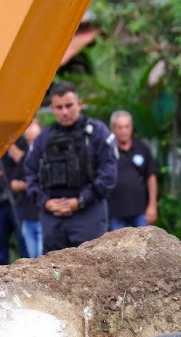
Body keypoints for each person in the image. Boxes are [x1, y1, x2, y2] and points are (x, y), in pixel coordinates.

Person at [25, 82, 118, 253]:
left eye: (69, 106)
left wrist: (80, 201)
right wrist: (45, 202)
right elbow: (30, 173)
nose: (64, 112)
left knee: (91, 264)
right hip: (53, 218)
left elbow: (108, 175)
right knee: (52, 266)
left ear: (79, 104)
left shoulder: (97, 133)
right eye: (59, 107)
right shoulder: (43, 138)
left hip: (88, 213)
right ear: (52, 108)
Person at [106, 110, 159, 229]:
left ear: (131, 128)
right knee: (117, 241)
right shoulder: (106, 151)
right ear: (112, 129)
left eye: (126, 127)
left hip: (140, 211)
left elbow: (151, 177)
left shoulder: (142, 148)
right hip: (114, 213)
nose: (123, 131)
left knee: (144, 240)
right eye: (119, 127)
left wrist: (152, 205)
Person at [8, 119, 44, 258]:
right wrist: (22, 185)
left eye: (31, 125)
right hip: (28, 216)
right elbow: (13, 183)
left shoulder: (47, 152)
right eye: (27, 126)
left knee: (43, 259)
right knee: (32, 260)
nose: (27, 129)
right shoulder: (27, 154)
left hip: (43, 216)